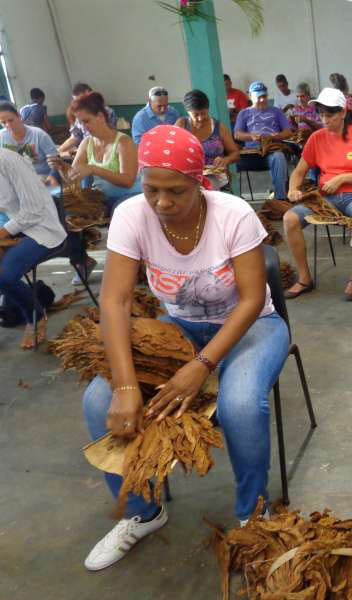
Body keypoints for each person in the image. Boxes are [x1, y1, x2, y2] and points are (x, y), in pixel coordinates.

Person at [81, 124, 289, 571]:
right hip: (179, 326)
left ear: (201, 180)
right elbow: (114, 301)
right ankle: (144, 511)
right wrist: (125, 387)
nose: (161, 203)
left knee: (239, 404)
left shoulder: (232, 214)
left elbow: (253, 299)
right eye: (150, 189)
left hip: (252, 324)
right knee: (99, 400)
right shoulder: (132, 215)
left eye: (175, 191)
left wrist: (202, 365)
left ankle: (252, 512)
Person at [283, 88, 352, 301]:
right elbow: (299, 172)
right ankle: (304, 278)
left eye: (329, 115)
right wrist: (293, 189)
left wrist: (343, 178)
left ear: (342, 113)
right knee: (290, 218)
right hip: (326, 199)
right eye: (321, 114)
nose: (323, 119)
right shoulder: (316, 138)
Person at [0, 148, 66, 348]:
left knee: (4, 276)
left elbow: (34, 209)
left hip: (41, 228)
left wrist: (2, 233)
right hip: (12, 226)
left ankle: (35, 315)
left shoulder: (9, 160)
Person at [234, 81, 293, 201]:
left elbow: (288, 132)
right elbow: (237, 134)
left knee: (279, 157)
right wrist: (251, 136)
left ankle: (280, 198)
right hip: (252, 154)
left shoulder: (276, 111)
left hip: (272, 150)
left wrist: (276, 136)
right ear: (250, 97)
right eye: (258, 97)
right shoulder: (244, 113)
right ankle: (234, 200)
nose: (262, 100)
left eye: (264, 96)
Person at [176, 90, 240, 190]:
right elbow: (172, 152)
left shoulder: (219, 127)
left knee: (201, 187)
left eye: (204, 113)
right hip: (188, 175)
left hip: (216, 176)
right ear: (188, 112)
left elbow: (235, 154)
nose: (200, 118)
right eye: (195, 115)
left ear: (208, 109)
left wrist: (225, 160)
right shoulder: (181, 125)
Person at [0, 102, 60, 185]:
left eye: (11, 120)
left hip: (42, 178)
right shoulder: (1, 137)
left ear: (19, 116)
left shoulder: (38, 134)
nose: (8, 125)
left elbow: (56, 160)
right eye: (3, 122)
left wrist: (52, 176)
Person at [60, 83, 117, 154]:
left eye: (87, 121)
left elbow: (107, 137)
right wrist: (58, 151)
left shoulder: (108, 112)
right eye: (75, 101)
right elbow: (75, 137)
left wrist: (80, 151)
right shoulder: (79, 116)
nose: (84, 126)